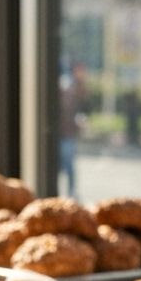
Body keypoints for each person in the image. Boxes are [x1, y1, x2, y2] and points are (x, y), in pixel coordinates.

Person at [58, 63, 87, 198]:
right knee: (62, 165)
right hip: (61, 134)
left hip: (67, 134)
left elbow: (82, 98)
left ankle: (71, 191)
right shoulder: (64, 88)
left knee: (68, 165)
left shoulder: (73, 89)